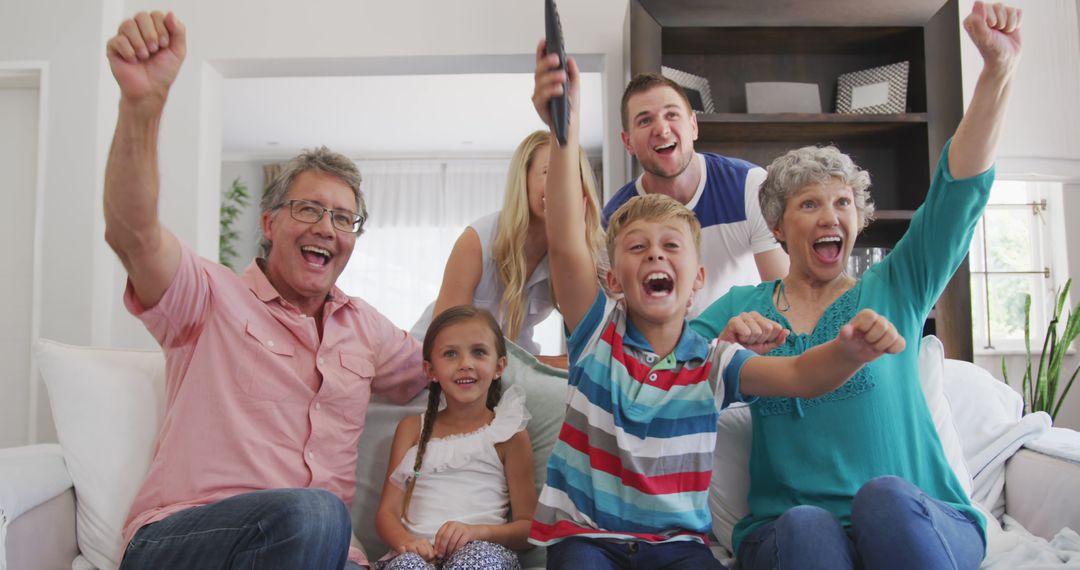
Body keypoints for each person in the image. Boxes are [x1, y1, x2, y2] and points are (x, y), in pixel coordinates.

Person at [528, 39, 906, 570]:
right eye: (638, 248)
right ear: (613, 278)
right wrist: (562, 128)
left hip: (679, 546)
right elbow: (567, 239)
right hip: (588, 539)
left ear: (698, 278)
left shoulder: (713, 357)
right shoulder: (596, 336)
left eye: (671, 247)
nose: (655, 254)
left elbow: (798, 374)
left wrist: (849, 351)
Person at [690, 3, 1023, 568]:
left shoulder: (898, 284)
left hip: (919, 518)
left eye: (843, 202)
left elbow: (956, 193)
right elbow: (663, 369)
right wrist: (723, 337)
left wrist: (997, 71)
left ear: (858, 221)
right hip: (789, 531)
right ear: (776, 228)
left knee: (884, 499)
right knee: (806, 525)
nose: (830, 215)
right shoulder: (741, 306)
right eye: (810, 203)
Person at [104, 12, 425, 569]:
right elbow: (132, 234)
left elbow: (453, 360)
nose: (327, 227)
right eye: (309, 209)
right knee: (317, 514)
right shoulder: (209, 297)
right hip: (184, 540)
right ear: (270, 223)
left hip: (322, 553)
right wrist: (142, 107)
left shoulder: (365, 329)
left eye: (344, 219)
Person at [410, 130, 605, 362]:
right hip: (439, 363)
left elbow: (589, 344)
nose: (563, 184)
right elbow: (446, 342)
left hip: (506, 364)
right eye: (549, 172)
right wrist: (549, 364)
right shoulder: (476, 242)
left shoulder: (583, 250)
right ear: (523, 181)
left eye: (574, 175)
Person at [603, 73, 789, 316]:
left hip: (748, 348)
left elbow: (783, 298)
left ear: (693, 126)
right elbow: (617, 317)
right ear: (627, 142)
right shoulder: (615, 217)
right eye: (645, 121)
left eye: (672, 115)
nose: (661, 128)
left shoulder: (750, 186)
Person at [375, 306, 537, 569]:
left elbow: (528, 527)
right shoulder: (411, 429)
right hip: (418, 554)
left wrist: (477, 532)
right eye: (450, 354)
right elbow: (387, 513)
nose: (465, 364)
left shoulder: (510, 433)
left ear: (499, 366)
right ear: (430, 371)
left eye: (479, 352)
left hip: (484, 551)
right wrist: (407, 542)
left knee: (475, 563)